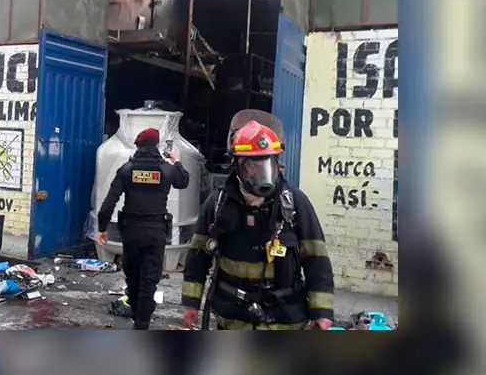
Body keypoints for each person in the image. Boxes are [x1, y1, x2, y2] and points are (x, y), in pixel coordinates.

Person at [182, 111, 335, 330]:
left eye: (267, 164)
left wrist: (322, 312)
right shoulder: (217, 204)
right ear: (236, 165)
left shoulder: (295, 204)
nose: (262, 174)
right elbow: (197, 258)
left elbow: (317, 260)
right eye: (252, 165)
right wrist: (191, 304)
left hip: (283, 317)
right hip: (233, 319)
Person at [97, 127, 190, 330]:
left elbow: (109, 202)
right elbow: (184, 181)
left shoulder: (126, 169)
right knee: (149, 281)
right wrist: (176, 161)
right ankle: (142, 324)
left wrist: (102, 227)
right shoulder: (166, 169)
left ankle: (137, 317)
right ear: (156, 145)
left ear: (138, 146)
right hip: (156, 233)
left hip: (131, 233)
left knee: (133, 277)